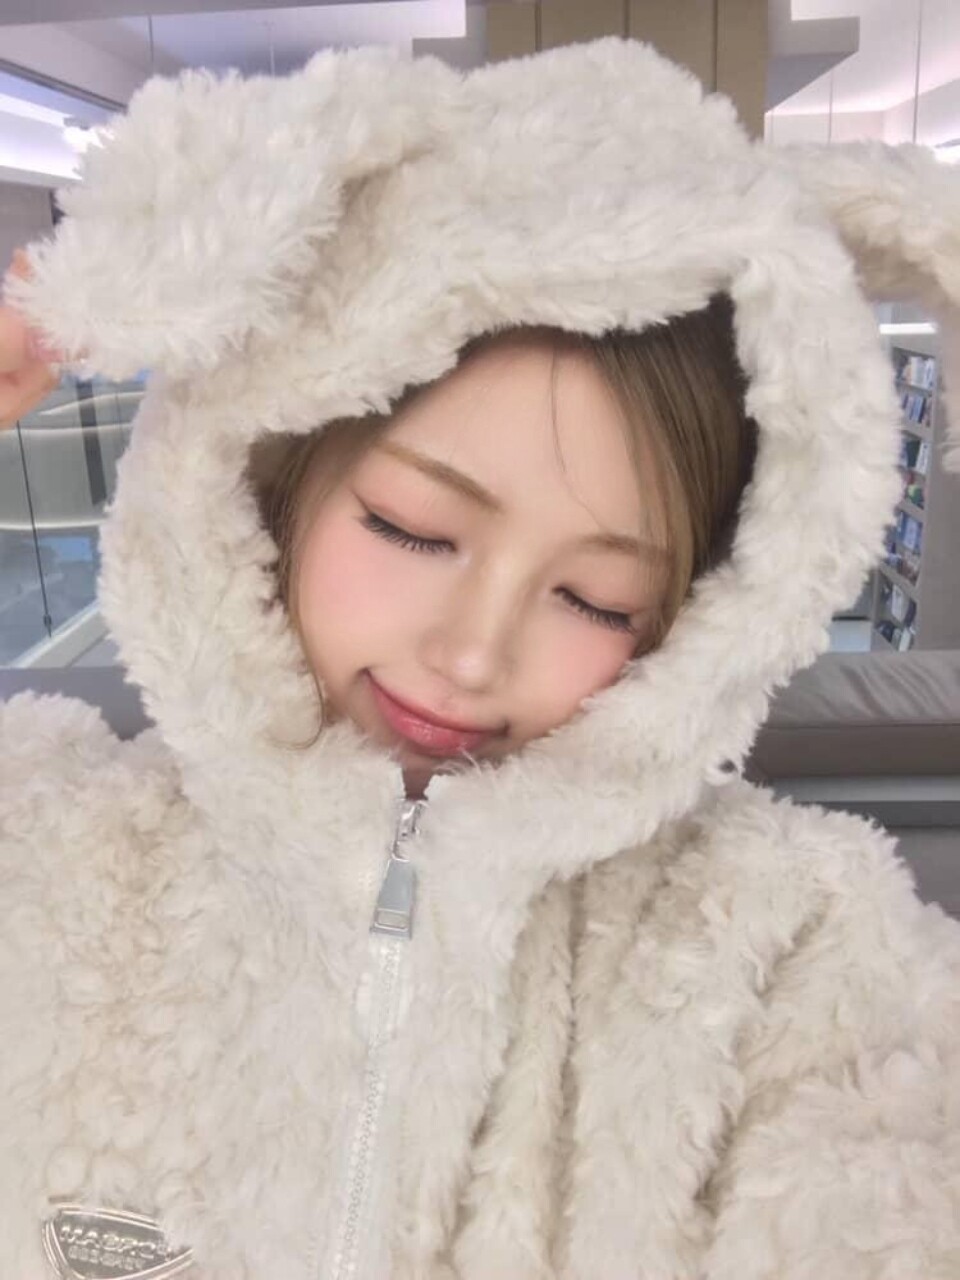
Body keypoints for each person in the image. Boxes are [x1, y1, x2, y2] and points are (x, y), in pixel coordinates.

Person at [1, 37, 958, 1280]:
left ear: (700, 618)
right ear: (270, 477)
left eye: (596, 598)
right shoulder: (38, 834)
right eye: (413, 529)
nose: (470, 653)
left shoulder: (788, 942)